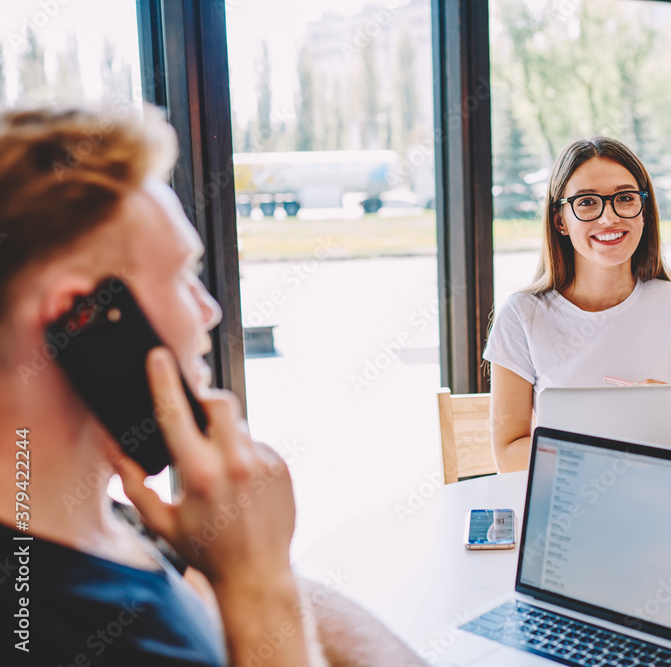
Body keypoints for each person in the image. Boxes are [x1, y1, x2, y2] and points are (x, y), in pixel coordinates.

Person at [0, 105, 425, 666]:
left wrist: (250, 565)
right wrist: (259, 585)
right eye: (182, 275)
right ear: (78, 313)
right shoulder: (50, 628)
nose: (210, 312)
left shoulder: (109, 525)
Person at [484, 137, 671, 472]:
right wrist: (614, 437)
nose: (609, 218)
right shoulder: (521, 316)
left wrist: (670, 412)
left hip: (653, 497)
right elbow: (508, 455)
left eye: (624, 198)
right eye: (588, 202)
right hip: (565, 503)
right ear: (560, 220)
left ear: (644, 211)